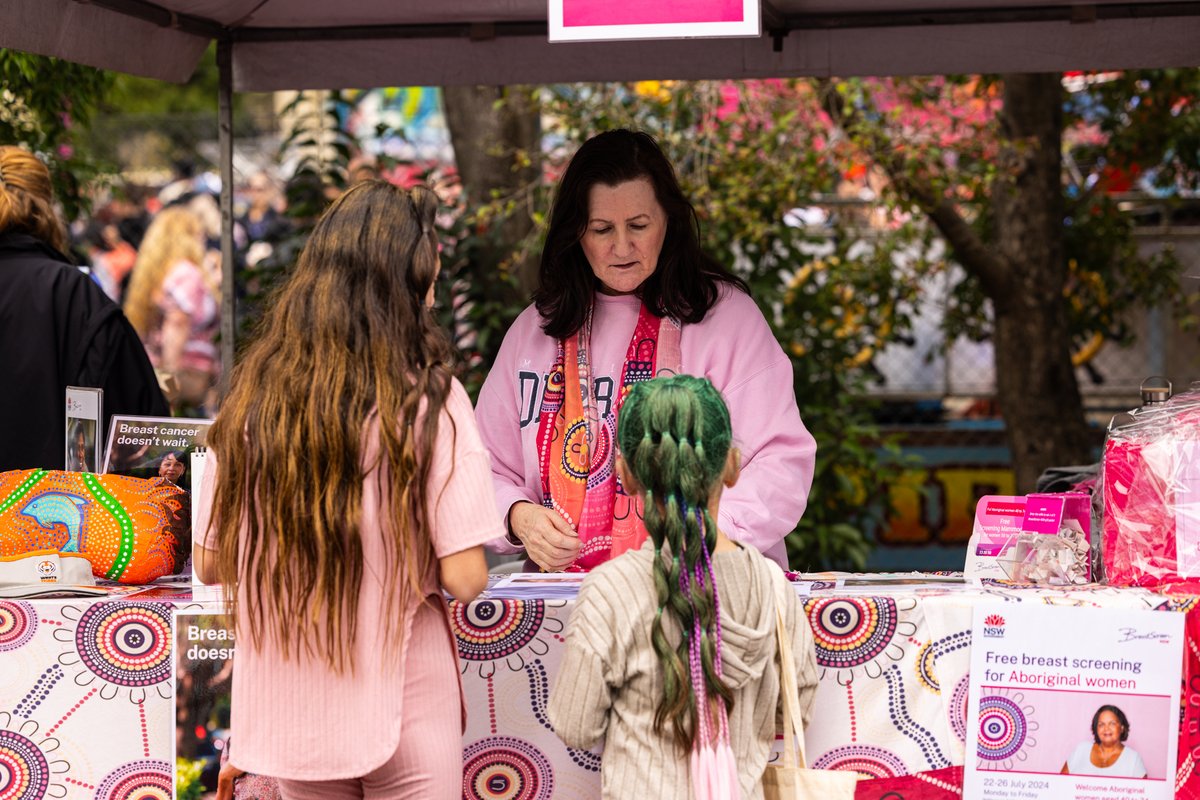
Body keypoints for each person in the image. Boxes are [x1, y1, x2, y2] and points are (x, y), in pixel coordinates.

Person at [193, 180, 500, 799]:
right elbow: (466, 576)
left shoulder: (254, 403)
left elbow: (210, 559)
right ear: (402, 282)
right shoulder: (431, 401)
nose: (436, 285)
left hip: (298, 707)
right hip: (405, 691)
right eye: (428, 271)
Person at [475, 128, 816, 572]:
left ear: (668, 222)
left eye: (638, 225)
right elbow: (480, 467)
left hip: (700, 588)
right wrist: (519, 517)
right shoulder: (535, 330)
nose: (621, 247)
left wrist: (704, 539)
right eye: (601, 229)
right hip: (567, 609)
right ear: (575, 234)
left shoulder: (727, 319)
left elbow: (781, 462)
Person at [547, 375, 818, 799]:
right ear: (731, 466)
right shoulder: (772, 587)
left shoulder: (610, 591)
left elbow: (575, 725)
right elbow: (793, 708)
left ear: (626, 473)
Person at [0, 146, 169, 472]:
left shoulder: (70, 292)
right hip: (52, 514)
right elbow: (142, 430)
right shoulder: (72, 293)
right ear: (47, 208)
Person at [124, 205, 221, 415]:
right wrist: (170, 384)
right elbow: (177, 323)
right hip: (186, 375)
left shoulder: (155, 275)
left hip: (153, 371)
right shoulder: (186, 273)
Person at [1061, 704, 1148, 778]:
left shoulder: (1133, 758)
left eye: (1112, 723)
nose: (1106, 728)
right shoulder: (1081, 749)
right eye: (1101, 724)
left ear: (1122, 728)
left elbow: (1143, 794)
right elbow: (1059, 785)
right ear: (1096, 728)